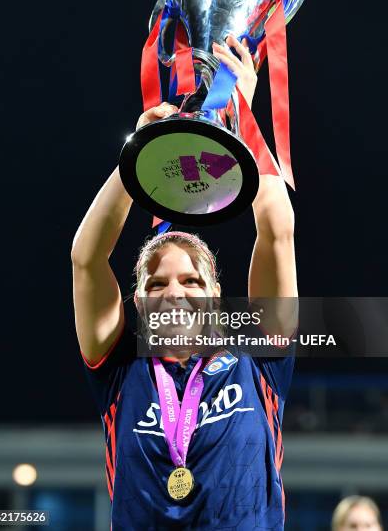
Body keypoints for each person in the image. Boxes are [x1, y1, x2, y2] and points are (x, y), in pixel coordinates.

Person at [71, 35, 298, 530]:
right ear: (136, 302)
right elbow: (86, 259)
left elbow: (277, 230)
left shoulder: (257, 358)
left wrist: (242, 117)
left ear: (216, 296)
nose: (174, 291)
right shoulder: (120, 368)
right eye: (156, 285)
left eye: (192, 281)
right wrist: (137, 161)